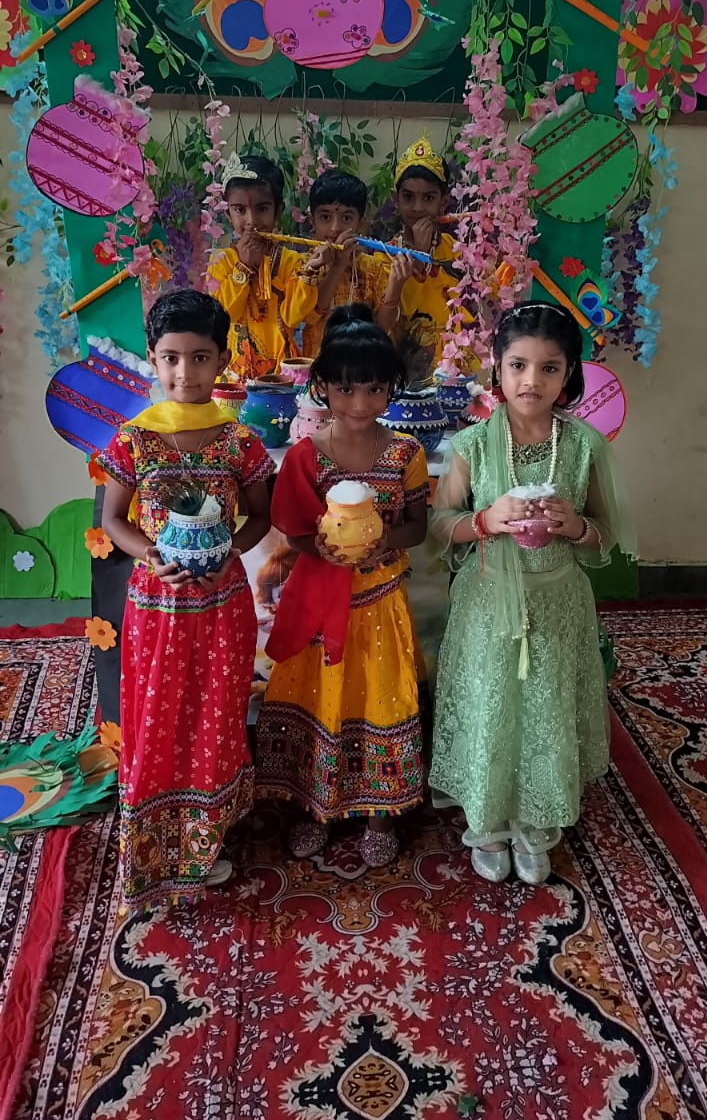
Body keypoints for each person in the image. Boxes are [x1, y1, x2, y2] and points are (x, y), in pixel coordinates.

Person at [429, 302, 636, 885]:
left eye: (549, 367)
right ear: (496, 367)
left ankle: (536, 820)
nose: (531, 381)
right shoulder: (472, 444)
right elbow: (440, 526)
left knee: (545, 707)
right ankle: (488, 820)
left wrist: (575, 526)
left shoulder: (584, 446)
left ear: (569, 374)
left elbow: (606, 534)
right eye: (518, 365)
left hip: (557, 601)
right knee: (492, 704)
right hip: (488, 601)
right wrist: (485, 520)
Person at [100, 289, 274, 910]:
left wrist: (232, 552)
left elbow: (260, 515)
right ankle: (156, 845)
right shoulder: (133, 440)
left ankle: (206, 836)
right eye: (171, 358)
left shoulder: (238, 441)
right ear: (152, 357)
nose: (184, 372)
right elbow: (114, 520)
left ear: (222, 360)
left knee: (215, 713)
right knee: (158, 715)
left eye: (200, 358)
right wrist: (152, 556)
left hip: (222, 604)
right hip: (157, 605)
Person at [254, 305, 429, 867]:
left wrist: (387, 540)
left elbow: (418, 526)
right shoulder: (306, 456)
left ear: (392, 389)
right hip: (319, 604)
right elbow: (295, 529)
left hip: (381, 604)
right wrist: (319, 549)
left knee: (381, 699)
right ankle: (316, 808)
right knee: (319, 701)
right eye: (346, 389)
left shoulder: (405, 453)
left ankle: (380, 813)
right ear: (323, 387)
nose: (360, 403)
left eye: (375, 389)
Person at [207, 153, 318, 378]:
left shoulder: (292, 262)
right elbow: (224, 317)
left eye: (262, 208)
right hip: (232, 376)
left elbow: (293, 317)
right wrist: (244, 266)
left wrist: (309, 273)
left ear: (278, 211)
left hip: (282, 375)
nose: (252, 221)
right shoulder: (221, 261)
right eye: (240, 210)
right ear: (228, 214)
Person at [300, 168, 414, 359]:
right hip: (319, 366)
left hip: (364, 367)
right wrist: (338, 266)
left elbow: (381, 328)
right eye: (325, 217)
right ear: (313, 222)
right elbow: (311, 315)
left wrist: (395, 287)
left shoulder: (373, 268)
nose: (335, 228)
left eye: (346, 218)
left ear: (361, 223)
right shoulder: (306, 265)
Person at [392, 136, 471, 370]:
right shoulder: (383, 255)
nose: (417, 207)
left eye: (428, 198)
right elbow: (396, 312)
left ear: (444, 202)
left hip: (454, 369)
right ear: (395, 200)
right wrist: (419, 253)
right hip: (402, 369)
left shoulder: (458, 252)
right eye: (408, 197)